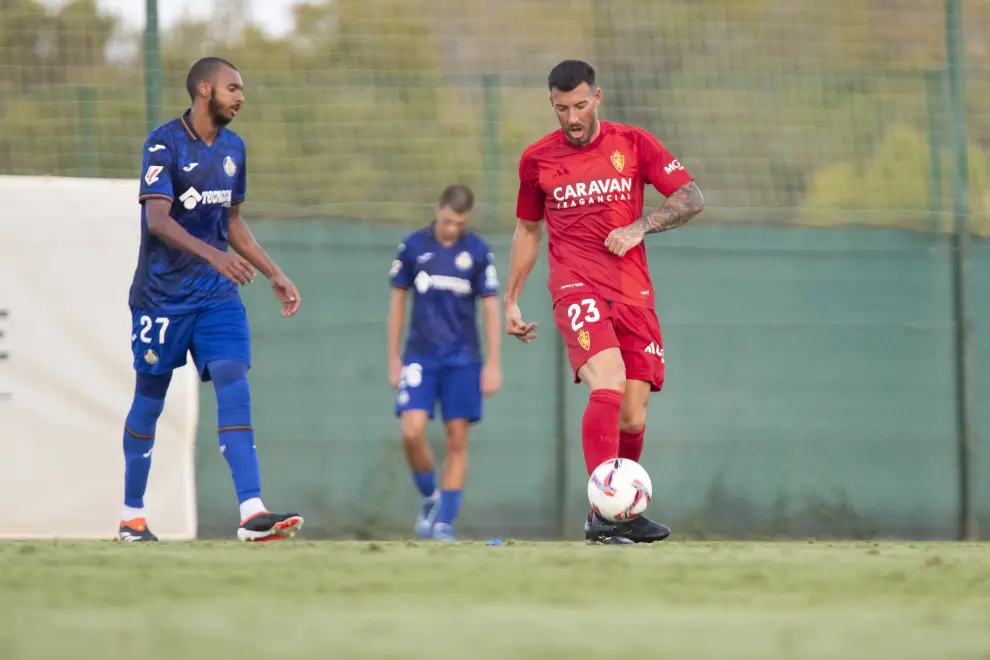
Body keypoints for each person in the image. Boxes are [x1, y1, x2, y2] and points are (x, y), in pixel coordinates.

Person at [505, 59, 705, 544]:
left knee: (633, 415)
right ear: (551, 105)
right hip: (575, 284)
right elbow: (529, 229)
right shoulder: (537, 160)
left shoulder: (633, 144)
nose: (571, 118)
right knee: (608, 381)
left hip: (632, 290)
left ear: (598, 97)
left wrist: (640, 226)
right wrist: (510, 299)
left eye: (578, 105)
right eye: (560, 108)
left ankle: (621, 513)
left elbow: (691, 196)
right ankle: (605, 514)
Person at [120, 57, 304, 542]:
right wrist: (215, 256)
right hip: (160, 298)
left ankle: (251, 512)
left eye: (242, 89)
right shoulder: (163, 142)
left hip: (214, 297)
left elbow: (233, 224)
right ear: (205, 89)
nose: (241, 96)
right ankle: (132, 517)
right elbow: (157, 221)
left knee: (232, 379)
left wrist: (274, 273)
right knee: (149, 401)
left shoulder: (235, 149)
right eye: (233, 88)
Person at [387, 184, 502, 542]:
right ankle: (430, 498)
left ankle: (444, 524)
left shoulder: (479, 252)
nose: (453, 228)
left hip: (463, 359)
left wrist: (494, 363)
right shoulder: (413, 247)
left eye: (461, 222)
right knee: (412, 431)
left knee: (457, 439)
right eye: (449, 220)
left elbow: (490, 307)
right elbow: (398, 303)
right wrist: (394, 357)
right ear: (438, 210)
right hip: (421, 357)